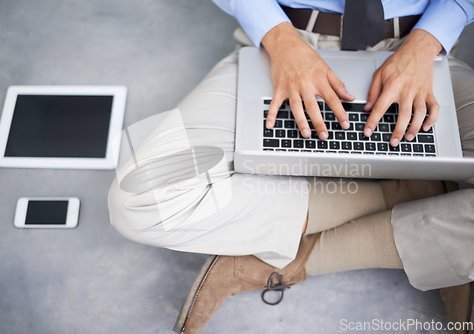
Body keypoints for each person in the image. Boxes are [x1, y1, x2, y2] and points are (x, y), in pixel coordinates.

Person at [107, 1, 474, 333]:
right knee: (139, 202)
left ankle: (302, 258)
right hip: (286, 41)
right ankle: (406, 196)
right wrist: (281, 41)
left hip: (420, 52)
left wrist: (426, 43)